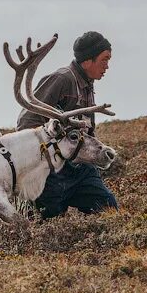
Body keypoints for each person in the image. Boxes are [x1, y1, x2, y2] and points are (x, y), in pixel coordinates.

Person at [16, 31, 118, 218]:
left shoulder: (86, 83)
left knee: (108, 208)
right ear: (88, 61)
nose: (107, 66)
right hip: (52, 171)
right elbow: (26, 122)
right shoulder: (62, 79)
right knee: (47, 223)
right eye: (104, 60)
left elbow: (86, 130)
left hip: (80, 168)